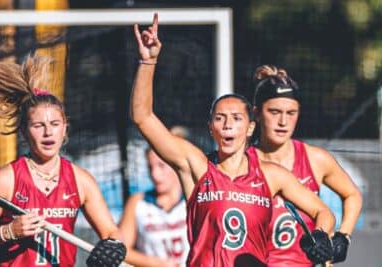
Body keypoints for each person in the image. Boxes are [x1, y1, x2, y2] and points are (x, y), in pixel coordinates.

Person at [130, 13, 335, 267]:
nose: (227, 124)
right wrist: (148, 61)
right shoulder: (197, 167)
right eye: (220, 118)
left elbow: (323, 212)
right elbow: (142, 117)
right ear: (211, 127)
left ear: (250, 127)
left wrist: (320, 235)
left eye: (236, 118)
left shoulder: (271, 175)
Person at [0, 55, 127, 267]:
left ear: (64, 128)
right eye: (38, 126)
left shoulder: (81, 180)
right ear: (25, 131)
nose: (47, 133)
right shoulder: (8, 179)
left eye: (54, 123)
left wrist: (114, 247)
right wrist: (9, 231)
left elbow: (111, 232)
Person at [250, 65, 363, 266]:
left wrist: (343, 236)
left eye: (291, 113)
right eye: (274, 112)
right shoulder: (242, 162)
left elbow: (352, 194)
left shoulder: (314, 159)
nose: (283, 121)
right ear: (257, 113)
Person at [118, 126, 190, 267]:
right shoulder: (138, 203)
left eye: (161, 166)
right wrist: (155, 264)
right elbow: (121, 250)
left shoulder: (194, 199)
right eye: (151, 168)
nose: (155, 175)